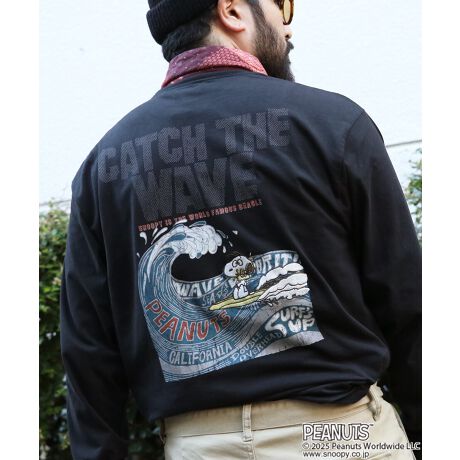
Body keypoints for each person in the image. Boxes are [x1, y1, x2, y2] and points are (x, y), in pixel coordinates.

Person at [59, 1, 422, 459]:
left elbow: (88, 351)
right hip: (338, 439)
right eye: (282, 6)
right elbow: (407, 305)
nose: (288, 28)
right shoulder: (331, 124)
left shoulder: (103, 166)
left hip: (197, 447)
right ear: (232, 10)